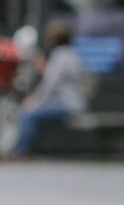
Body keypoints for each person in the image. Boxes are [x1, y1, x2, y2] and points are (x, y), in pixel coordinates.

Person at [8, 22, 89, 158]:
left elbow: (50, 84)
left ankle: (22, 151)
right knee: (28, 112)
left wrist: (36, 101)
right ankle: (19, 149)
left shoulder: (60, 55)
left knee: (27, 114)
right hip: (74, 103)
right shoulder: (71, 54)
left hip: (67, 105)